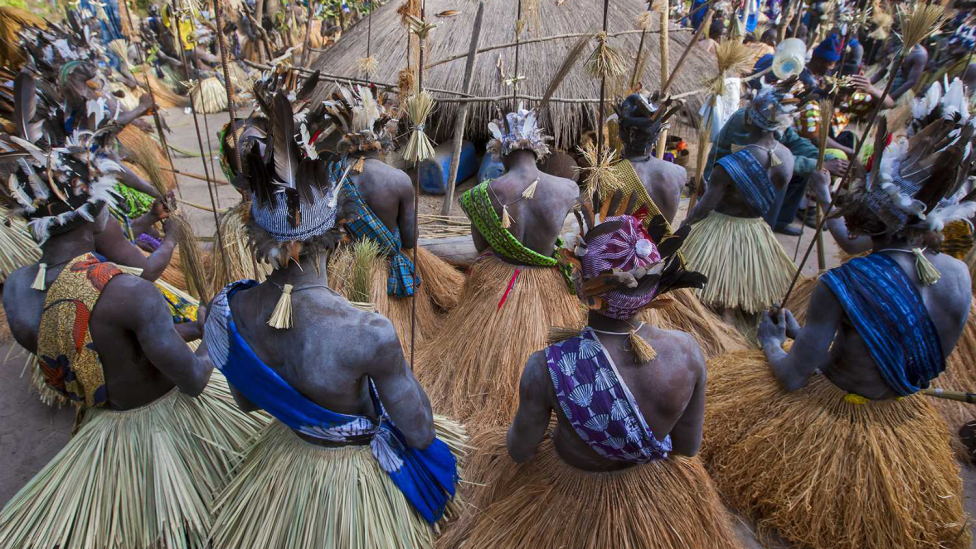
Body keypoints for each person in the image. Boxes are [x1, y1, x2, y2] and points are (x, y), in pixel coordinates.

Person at [0, 97, 266, 549]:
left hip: (101, 423)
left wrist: (184, 329)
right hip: (163, 426)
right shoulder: (126, 293)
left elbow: (99, 351)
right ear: (96, 212)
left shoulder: (17, 288)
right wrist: (214, 323)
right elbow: (196, 379)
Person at [203, 89, 465, 549]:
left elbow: (247, 403)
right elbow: (420, 432)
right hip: (351, 486)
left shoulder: (227, 310)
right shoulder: (369, 333)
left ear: (257, 233)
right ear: (338, 232)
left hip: (282, 477)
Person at [703, 117, 976, 549]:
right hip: (903, 420)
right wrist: (805, 336)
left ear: (874, 220)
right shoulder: (959, 275)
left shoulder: (845, 282)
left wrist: (776, 343)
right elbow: (889, 351)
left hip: (838, 418)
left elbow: (793, 377)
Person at [438, 194, 743, 549]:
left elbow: (520, 450)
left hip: (567, 499)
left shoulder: (546, 366)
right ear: (653, 287)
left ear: (582, 288)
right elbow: (687, 448)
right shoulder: (688, 351)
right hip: (653, 501)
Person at [415, 105, 583, 429]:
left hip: (497, 288)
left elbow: (480, 247)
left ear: (499, 153)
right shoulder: (568, 189)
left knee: (482, 365)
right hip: (549, 288)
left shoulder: (483, 194)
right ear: (537, 149)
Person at [322, 85, 464, 348]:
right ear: (383, 138)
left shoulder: (330, 173)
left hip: (339, 271)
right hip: (384, 270)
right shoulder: (398, 180)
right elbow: (410, 240)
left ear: (346, 139)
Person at [606, 92, 746, 358]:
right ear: (657, 136)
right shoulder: (677, 173)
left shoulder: (608, 176)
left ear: (622, 135)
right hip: (663, 260)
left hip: (621, 267)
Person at [682, 86, 799, 316]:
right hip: (756, 232)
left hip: (720, 233)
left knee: (705, 297)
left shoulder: (731, 165)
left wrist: (681, 232)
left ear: (748, 117)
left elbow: (702, 210)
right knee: (744, 294)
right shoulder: (787, 157)